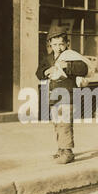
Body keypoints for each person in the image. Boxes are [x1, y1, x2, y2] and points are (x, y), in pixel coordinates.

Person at [35, 26, 88, 164]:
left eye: (61, 44)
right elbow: (38, 72)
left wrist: (68, 66)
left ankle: (68, 152)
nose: (58, 47)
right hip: (53, 95)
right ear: (50, 44)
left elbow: (84, 68)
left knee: (65, 124)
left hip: (67, 95)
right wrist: (46, 71)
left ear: (67, 44)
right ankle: (61, 149)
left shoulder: (71, 56)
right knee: (57, 124)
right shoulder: (48, 58)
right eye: (54, 44)